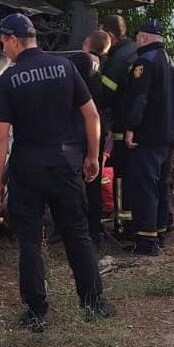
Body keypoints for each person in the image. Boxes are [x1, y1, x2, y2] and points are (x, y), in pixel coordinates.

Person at [0, 13, 114, 332]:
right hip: (65, 165)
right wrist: (92, 155)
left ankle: (35, 313)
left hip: (27, 169)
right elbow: (92, 115)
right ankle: (94, 304)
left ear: (14, 39)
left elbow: (0, 135)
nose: (3, 49)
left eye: (3, 42)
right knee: (77, 233)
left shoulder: (8, 80)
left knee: (30, 241)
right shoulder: (65, 67)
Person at [121, 19, 174, 256]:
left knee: (144, 186)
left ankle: (146, 241)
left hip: (147, 136)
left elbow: (139, 98)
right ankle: (159, 231)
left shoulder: (144, 62)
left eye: (137, 38)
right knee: (160, 186)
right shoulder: (170, 61)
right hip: (167, 136)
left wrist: (130, 127)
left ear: (144, 38)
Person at [99, 15, 137, 238]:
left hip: (122, 128)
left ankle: (123, 227)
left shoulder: (116, 60)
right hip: (138, 128)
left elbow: (104, 96)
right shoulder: (134, 49)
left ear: (111, 35)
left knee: (121, 179)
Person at [81, 30, 112, 247]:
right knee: (94, 178)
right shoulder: (106, 67)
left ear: (85, 43)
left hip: (82, 129)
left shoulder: (81, 64)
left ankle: (80, 229)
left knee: (79, 179)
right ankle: (95, 230)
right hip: (100, 129)